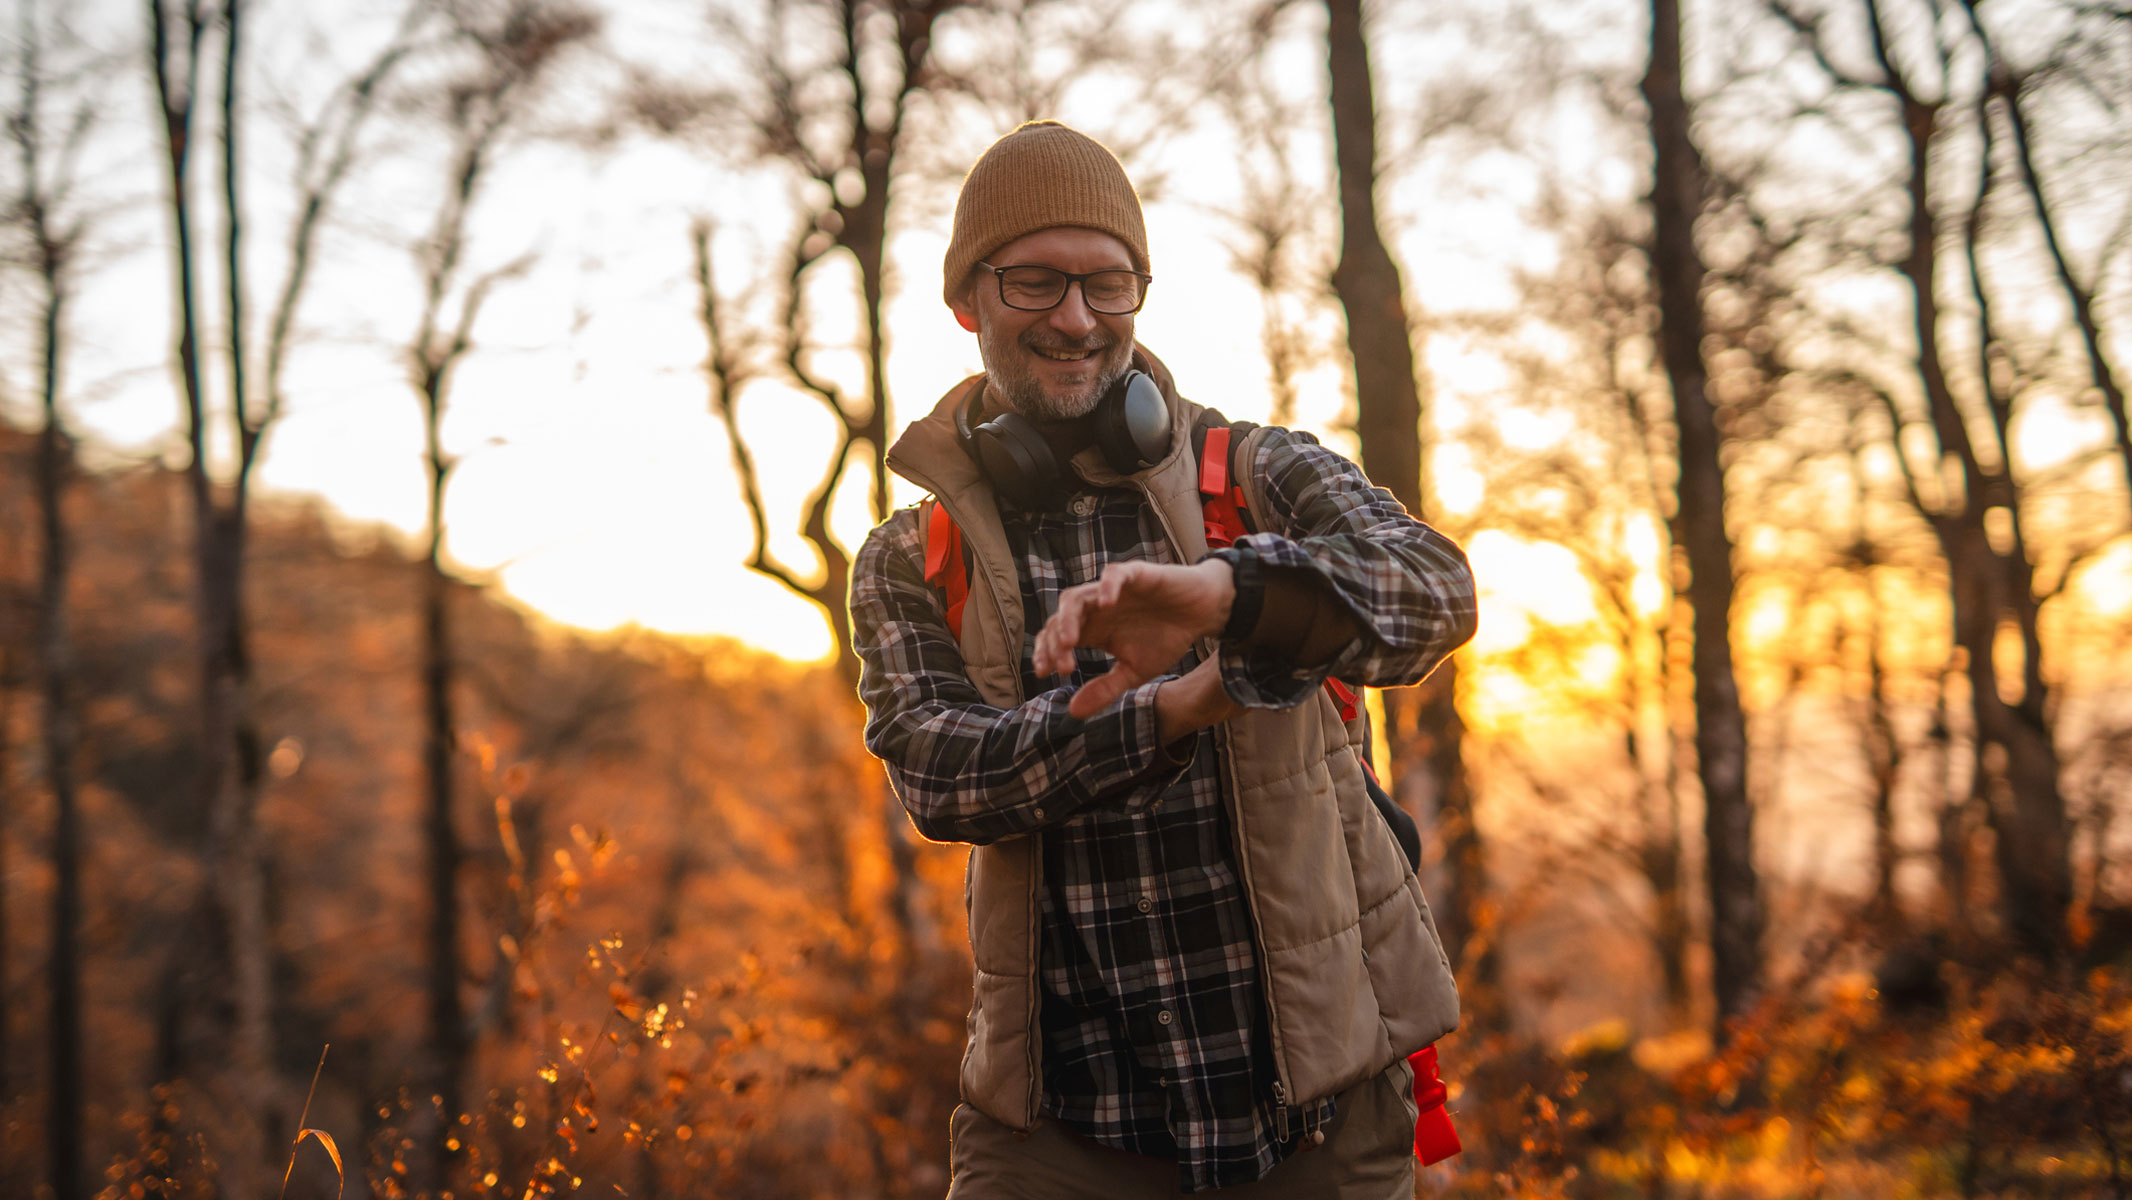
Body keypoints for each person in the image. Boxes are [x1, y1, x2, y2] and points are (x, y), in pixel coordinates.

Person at [850, 120, 1478, 1197]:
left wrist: (1236, 595)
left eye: (1107, 283)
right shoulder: (911, 555)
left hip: (1320, 1119)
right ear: (968, 303)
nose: (1077, 319)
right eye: (1035, 283)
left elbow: (1433, 590)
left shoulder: (1258, 472)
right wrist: (1158, 715)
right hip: (1056, 1131)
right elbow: (940, 778)